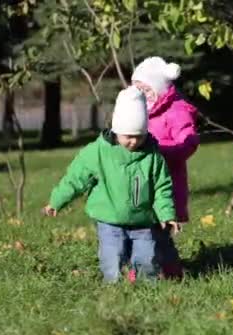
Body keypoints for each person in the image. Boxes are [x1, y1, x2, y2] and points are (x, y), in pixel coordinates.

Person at [42, 87, 179, 283]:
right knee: (112, 256)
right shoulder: (97, 153)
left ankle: (147, 288)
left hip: (143, 221)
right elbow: (75, 179)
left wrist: (167, 214)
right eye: (128, 136)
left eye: (139, 136)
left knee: (147, 257)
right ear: (116, 130)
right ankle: (114, 288)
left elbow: (161, 188)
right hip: (109, 219)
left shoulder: (153, 156)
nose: (133, 141)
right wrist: (57, 201)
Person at [131, 56, 200, 279]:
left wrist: (159, 150)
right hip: (142, 186)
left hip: (166, 186)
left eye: (146, 90)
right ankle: (147, 271)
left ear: (159, 88)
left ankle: (167, 272)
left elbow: (188, 143)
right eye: (137, 89)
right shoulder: (139, 109)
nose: (142, 95)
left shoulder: (177, 111)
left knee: (158, 235)